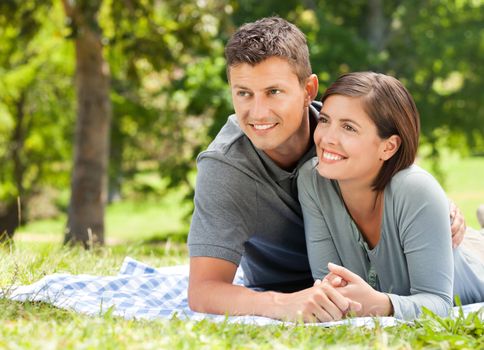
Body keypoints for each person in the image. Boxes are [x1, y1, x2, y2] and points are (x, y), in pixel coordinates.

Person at [187, 16, 466, 322]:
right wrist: (282, 305)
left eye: (274, 92)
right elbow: (203, 290)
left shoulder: (335, 132)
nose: (258, 112)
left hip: (380, 276)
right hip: (293, 288)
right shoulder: (226, 168)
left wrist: (442, 210)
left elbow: (398, 171)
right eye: (243, 93)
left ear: (309, 90)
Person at [297, 72, 484, 320]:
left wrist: (380, 304)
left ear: (389, 146)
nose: (326, 138)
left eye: (349, 127)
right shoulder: (312, 180)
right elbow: (329, 287)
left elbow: (438, 302)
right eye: (324, 120)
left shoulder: (416, 189)